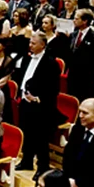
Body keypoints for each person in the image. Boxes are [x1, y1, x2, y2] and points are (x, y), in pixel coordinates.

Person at [13, 34, 61, 178]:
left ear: (42, 45)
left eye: (33, 43)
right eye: (30, 42)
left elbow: (54, 88)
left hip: (41, 106)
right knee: (26, 133)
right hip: (25, 101)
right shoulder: (27, 58)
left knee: (40, 138)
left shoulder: (51, 63)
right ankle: (27, 161)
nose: (30, 45)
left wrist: (37, 98)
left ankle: (43, 166)